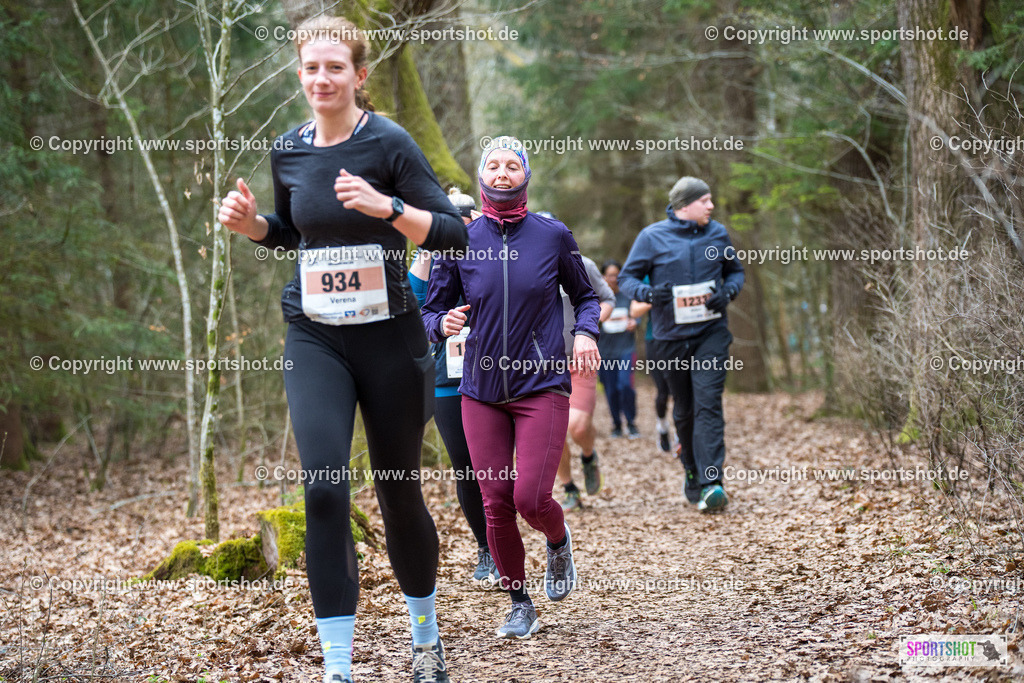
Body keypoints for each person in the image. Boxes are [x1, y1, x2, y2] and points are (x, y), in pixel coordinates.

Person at [217, 15, 467, 683]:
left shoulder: (389, 142)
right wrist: (254, 227)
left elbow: (452, 232)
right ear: (298, 75)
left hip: (390, 338)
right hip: (316, 335)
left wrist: (387, 207)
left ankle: (424, 638)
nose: (321, 78)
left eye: (335, 67)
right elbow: (297, 235)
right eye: (310, 68)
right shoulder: (288, 148)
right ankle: (337, 667)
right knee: (324, 488)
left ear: (359, 75)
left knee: (397, 489)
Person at [421, 137, 601, 639]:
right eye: (493, 165)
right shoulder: (458, 237)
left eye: (512, 165)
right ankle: (520, 600)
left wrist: (585, 333)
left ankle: (558, 540)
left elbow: (585, 296)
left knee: (530, 498)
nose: (502, 172)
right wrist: (443, 323)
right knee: (495, 499)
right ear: (483, 176)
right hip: (479, 391)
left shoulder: (552, 234)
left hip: (541, 384)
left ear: (526, 175)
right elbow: (429, 311)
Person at [618, 177, 744, 513]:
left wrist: (727, 293)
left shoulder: (717, 233)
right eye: (705, 200)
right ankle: (690, 469)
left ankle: (712, 481)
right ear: (684, 205)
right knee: (685, 410)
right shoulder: (651, 237)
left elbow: (735, 273)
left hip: (710, 334)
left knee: (708, 403)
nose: (711, 206)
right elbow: (628, 279)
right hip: (670, 339)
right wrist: (648, 294)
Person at [408, 188, 498, 587]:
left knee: (496, 468)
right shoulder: (431, 258)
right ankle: (486, 549)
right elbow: (413, 306)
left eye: (464, 219)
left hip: (497, 374)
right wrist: (430, 243)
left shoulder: (491, 247)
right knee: (466, 468)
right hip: (449, 379)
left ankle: (505, 541)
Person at [541, 231, 614, 511]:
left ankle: (588, 455)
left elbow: (605, 299)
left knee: (579, 426)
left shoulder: (582, 263)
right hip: (542, 365)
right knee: (554, 432)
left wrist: (589, 330)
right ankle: (570, 488)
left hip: (579, 360)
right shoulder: (524, 267)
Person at [596, 260, 640, 441]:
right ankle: (616, 424)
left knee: (625, 385)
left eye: (616, 275)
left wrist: (634, 323)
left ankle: (631, 422)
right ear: (603, 277)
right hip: (605, 351)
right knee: (611, 389)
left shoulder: (627, 295)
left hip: (625, 349)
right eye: (610, 275)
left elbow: (637, 315)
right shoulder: (596, 298)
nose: (613, 279)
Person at [630, 279, 674, 453]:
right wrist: (656, 298)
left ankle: (682, 435)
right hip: (654, 340)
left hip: (681, 339)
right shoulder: (649, 277)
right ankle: (662, 427)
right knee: (663, 393)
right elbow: (634, 310)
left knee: (681, 392)